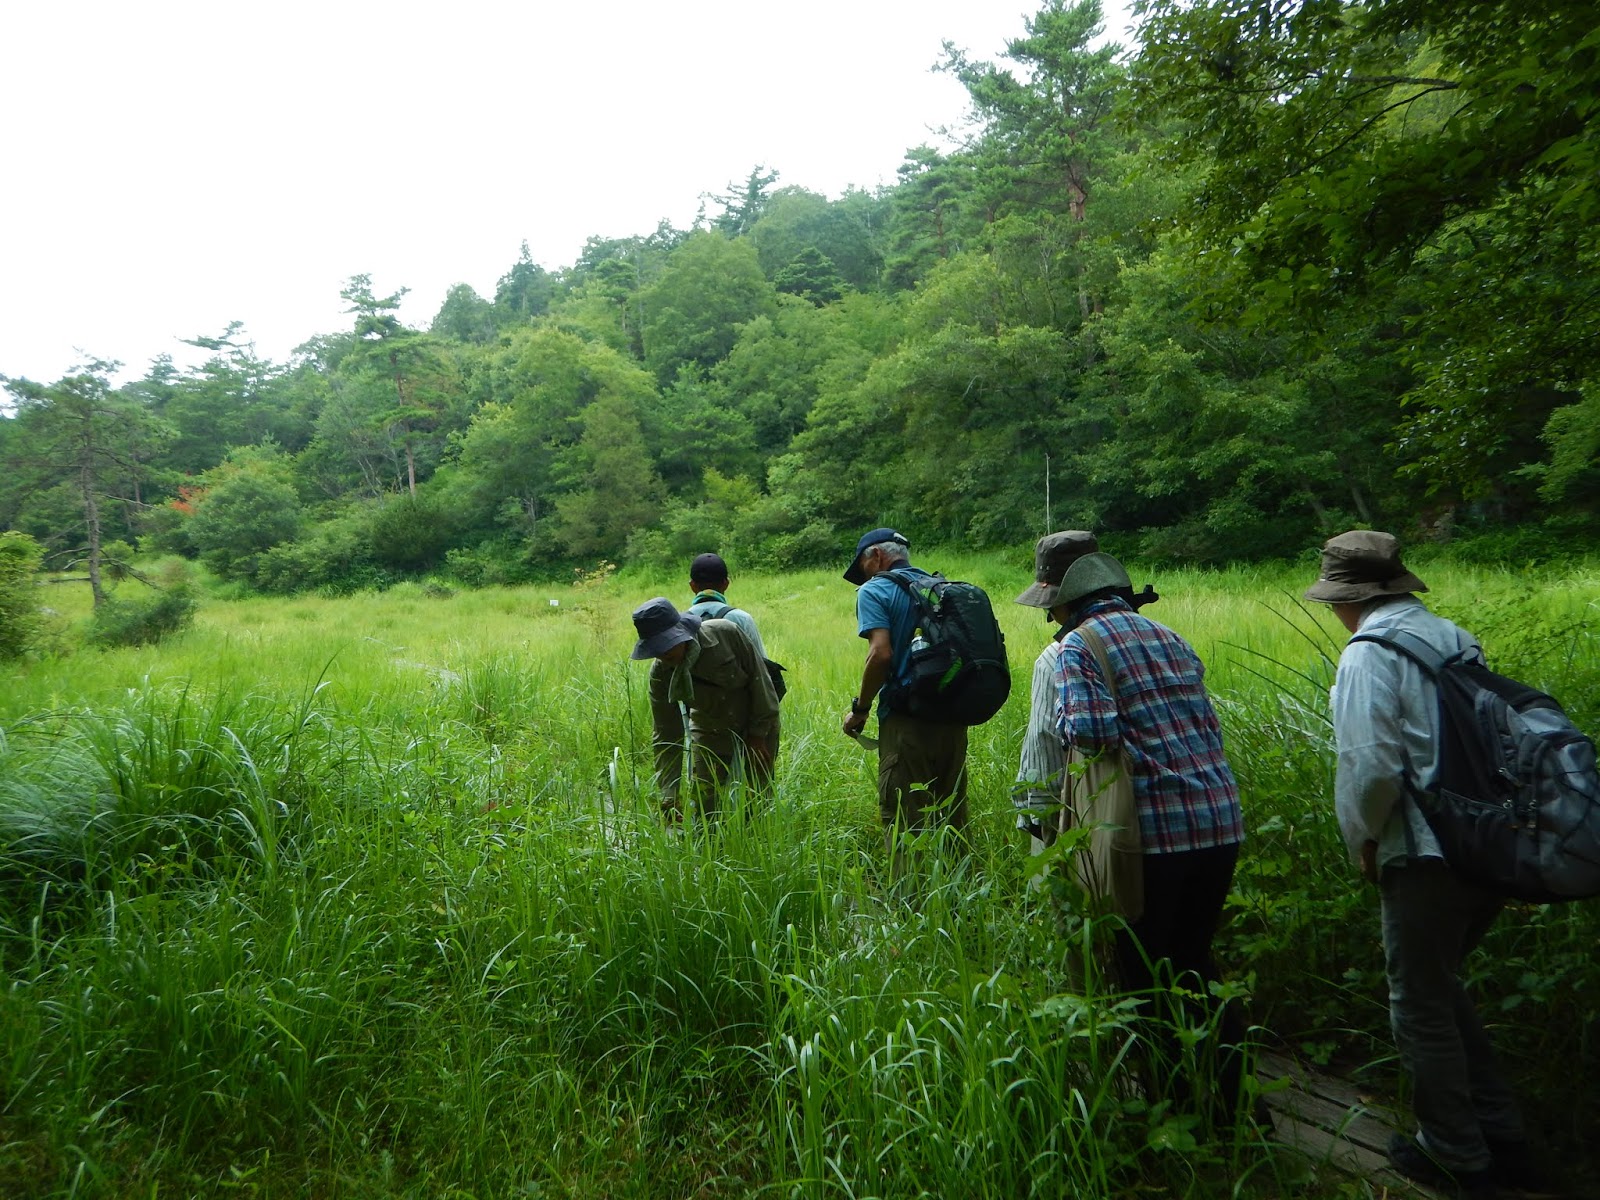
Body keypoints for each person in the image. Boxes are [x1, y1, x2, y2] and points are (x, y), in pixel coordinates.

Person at [1305, 530, 1533, 1196]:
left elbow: (1370, 767)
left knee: (1420, 1003)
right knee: (1444, 986)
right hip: (1490, 842)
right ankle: (1504, 1136)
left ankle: (1456, 1154)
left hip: (1425, 849)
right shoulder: (1455, 637)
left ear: (1349, 597)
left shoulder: (1368, 654)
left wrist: (1364, 841)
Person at [1052, 549, 1252, 1125]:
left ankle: (1174, 1106)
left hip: (1154, 831)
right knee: (1195, 961)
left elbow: (1090, 732)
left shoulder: (1079, 646)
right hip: (1218, 818)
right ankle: (1236, 1103)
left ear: (1069, 603)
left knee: (1143, 971)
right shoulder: (1169, 636)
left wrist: (1065, 717)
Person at [839, 527, 968, 872]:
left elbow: (880, 655)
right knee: (952, 816)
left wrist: (860, 710)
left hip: (906, 723)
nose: (862, 576)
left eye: (863, 566)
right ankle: (960, 904)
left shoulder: (875, 590)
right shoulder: (941, 588)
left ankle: (909, 909)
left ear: (877, 557)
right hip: (953, 718)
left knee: (903, 821)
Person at [631, 596, 779, 821]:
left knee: (758, 798)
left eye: (667, 644)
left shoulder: (726, 633)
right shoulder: (661, 674)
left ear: (681, 632)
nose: (663, 654)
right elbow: (666, 735)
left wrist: (757, 736)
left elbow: (762, 684)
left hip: (756, 720)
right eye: (656, 649)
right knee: (705, 806)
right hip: (709, 729)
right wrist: (669, 794)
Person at [1012, 530, 1102, 852]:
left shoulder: (1057, 657)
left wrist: (1039, 822)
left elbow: (1045, 748)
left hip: (1102, 826)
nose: (1050, 616)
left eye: (1050, 606)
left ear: (1063, 601)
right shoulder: (1164, 639)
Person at [684, 551, 769, 660]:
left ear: (692, 586)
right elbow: (762, 663)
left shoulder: (680, 624)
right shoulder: (742, 619)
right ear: (726, 584)